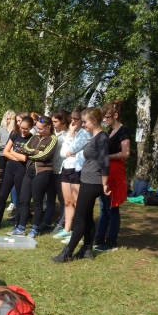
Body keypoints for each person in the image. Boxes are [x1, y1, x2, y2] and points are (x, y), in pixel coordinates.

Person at [52, 107, 110, 262]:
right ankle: (87, 249)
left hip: (93, 181)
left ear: (95, 121)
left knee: (79, 218)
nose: (83, 125)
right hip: (87, 179)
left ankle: (67, 253)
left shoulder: (101, 137)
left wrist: (104, 184)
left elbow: (105, 162)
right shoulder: (93, 136)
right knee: (88, 217)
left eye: (85, 122)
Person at [9, 116, 57, 238]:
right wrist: (35, 152)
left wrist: (30, 153)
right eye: (38, 128)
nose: (38, 131)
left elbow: (45, 156)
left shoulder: (52, 139)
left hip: (42, 172)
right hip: (29, 171)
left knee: (37, 201)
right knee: (24, 200)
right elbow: (23, 148)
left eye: (41, 129)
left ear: (49, 127)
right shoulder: (35, 137)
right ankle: (21, 227)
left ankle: (35, 228)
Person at [95, 100, 130, 252]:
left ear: (116, 115)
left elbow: (126, 153)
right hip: (106, 172)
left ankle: (111, 242)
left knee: (112, 208)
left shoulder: (123, 130)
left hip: (115, 172)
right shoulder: (109, 132)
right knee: (104, 207)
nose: (104, 120)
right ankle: (99, 238)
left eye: (107, 117)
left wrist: (107, 157)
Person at [53, 106, 91, 244]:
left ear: (83, 120)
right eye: (72, 119)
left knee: (77, 202)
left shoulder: (85, 134)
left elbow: (72, 149)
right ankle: (67, 229)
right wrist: (70, 139)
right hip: (66, 167)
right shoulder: (74, 133)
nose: (73, 122)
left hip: (77, 168)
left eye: (76, 119)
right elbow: (64, 152)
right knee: (67, 201)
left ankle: (77, 231)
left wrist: (70, 135)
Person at [0, 114, 33, 230]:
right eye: (21, 127)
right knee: (2, 196)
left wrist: (12, 152)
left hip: (21, 171)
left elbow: (24, 159)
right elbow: (5, 152)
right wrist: (16, 155)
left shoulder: (32, 139)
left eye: (25, 128)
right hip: (9, 169)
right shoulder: (15, 135)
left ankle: (17, 223)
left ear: (31, 127)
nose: (23, 130)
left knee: (19, 198)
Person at [40, 109, 68, 233]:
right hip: (50, 168)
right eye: (52, 121)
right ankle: (47, 221)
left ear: (63, 121)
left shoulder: (67, 135)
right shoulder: (52, 133)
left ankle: (62, 223)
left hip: (61, 169)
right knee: (50, 197)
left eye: (56, 121)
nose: (53, 123)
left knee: (62, 198)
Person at [0, 110, 16, 209]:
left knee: (12, 180)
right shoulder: (1, 130)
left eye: (10, 119)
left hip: (12, 156)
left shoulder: (15, 131)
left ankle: (13, 202)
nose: (8, 121)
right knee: (0, 180)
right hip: (2, 156)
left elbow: (14, 145)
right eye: (7, 119)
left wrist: (2, 144)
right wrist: (7, 145)